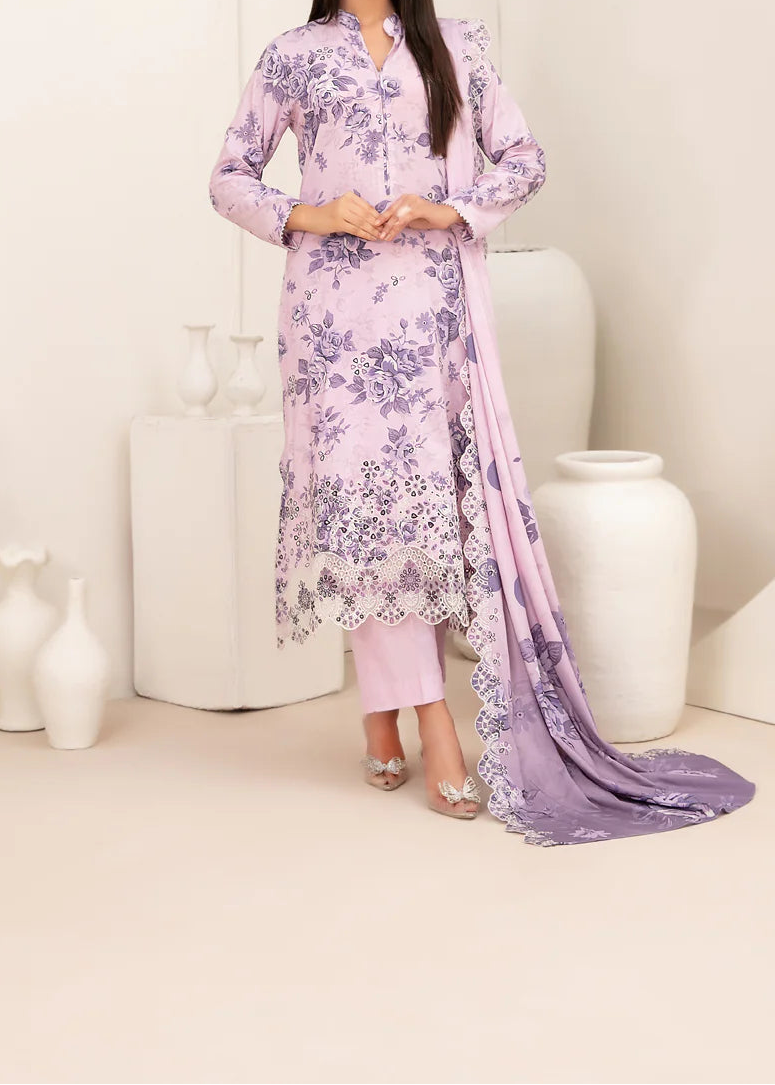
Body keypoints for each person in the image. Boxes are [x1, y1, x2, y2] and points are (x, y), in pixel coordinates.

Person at [210, 1, 755, 843]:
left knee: (422, 516)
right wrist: (317, 212)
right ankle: (427, 719)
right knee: (363, 514)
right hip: (331, 320)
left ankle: (383, 716)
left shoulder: (455, 45)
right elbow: (229, 176)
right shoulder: (293, 54)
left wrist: (448, 210)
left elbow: (523, 158)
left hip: (434, 314)